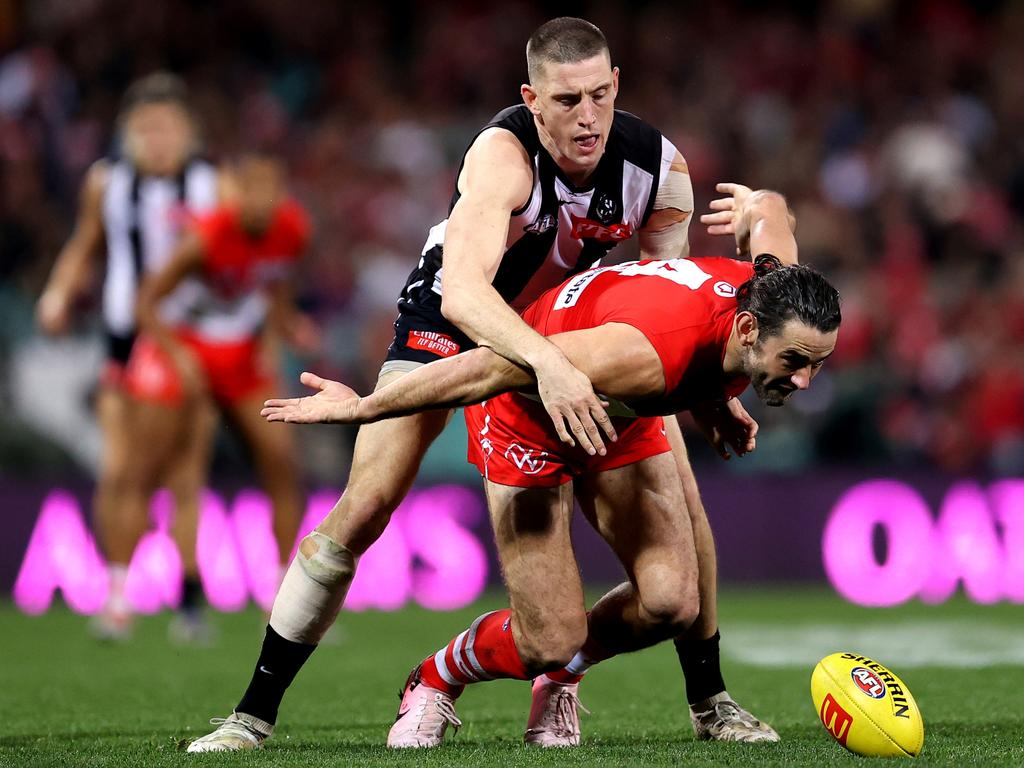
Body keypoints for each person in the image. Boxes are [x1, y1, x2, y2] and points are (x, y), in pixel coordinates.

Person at [188, 16, 770, 751]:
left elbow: (665, 297)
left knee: (681, 498)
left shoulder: (659, 169)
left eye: (598, 95)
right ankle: (252, 715)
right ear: (531, 99)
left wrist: (707, 396)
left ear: (617, 85)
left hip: (566, 338)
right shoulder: (502, 157)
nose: (586, 117)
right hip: (453, 326)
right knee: (365, 504)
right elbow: (465, 293)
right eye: (565, 101)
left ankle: (706, 699)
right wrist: (549, 367)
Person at [259, 184, 841, 748]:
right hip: (527, 411)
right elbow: (490, 368)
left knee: (670, 603)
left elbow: (771, 213)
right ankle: (437, 676)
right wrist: (366, 405)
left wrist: (756, 207)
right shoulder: (646, 354)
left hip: (614, 409)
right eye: (794, 361)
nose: (803, 380)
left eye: (817, 363)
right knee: (548, 639)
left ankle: (566, 679)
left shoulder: (774, 291)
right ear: (746, 329)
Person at [35, 72, 224, 640]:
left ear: (187, 132)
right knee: (120, 469)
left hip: (193, 342)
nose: (157, 140)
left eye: (167, 127)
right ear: (128, 134)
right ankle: (116, 594)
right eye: (145, 129)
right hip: (125, 341)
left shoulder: (214, 185)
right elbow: (86, 242)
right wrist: (59, 290)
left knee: (185, 475)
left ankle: (188, 602)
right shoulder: (107, 182)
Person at [126, 151, 314, 640]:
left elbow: (276, 282)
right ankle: (186, 601)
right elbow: (146, 301)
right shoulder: (207, 235)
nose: (260, 202)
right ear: (235, 194)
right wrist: (177, 355)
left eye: (270, 191)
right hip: (189, 346)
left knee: (281, 459)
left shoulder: (292, 229)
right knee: (182, 471)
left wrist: (284, 324)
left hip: (243, 352)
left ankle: (282, 597)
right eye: (251, 191)